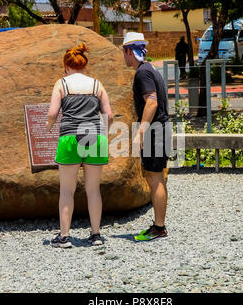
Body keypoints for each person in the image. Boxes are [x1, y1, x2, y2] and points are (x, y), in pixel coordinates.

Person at [46, 43, 113, 248]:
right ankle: (96, 235)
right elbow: (109, 115)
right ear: (85, 66)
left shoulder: (62, 84)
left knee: (67, 190)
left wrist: (49, 128)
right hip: (95, 137)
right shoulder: (96, 85)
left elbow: (52, 113)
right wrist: (104, 134)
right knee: (93, 190)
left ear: (67, 66)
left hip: (70, 137)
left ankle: (65, 237)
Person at [120, 32, 172, 241]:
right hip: (160, 129)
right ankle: (158, 226)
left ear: (128, 51)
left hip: (155, 131)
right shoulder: (150, 69)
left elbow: (151, 101)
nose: (123, 57)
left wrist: (141, 131)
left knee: (155, 178)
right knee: (155, 177)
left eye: (122, 52)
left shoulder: (142, 73)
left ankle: (159, 228)